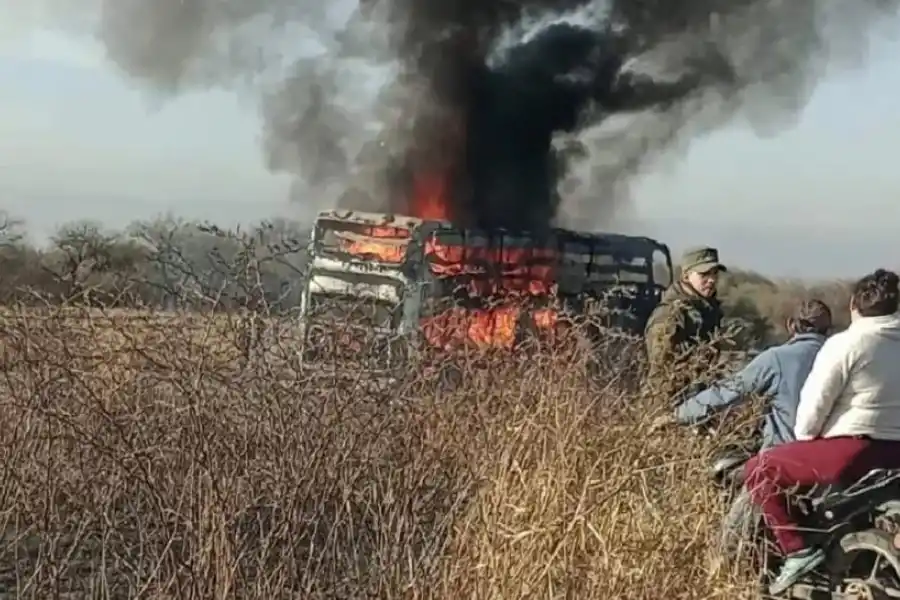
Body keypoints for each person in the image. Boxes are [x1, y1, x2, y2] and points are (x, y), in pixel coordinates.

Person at [743, 269, 900, 595]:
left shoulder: (846, 343)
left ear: (854, 305)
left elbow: (810, 415)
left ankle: (797, 551)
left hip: (855, 451)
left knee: (760, 468)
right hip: (894, 455)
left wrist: (805, 440)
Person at [654, 299, 832, 449]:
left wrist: (678, 415)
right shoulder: (840, 358)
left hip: (785, 458)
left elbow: (727, 392)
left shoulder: (776, 359)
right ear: (828, 330)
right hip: (833, 459)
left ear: (790, 325)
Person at [644, 246, 726, 402]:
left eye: (715, 273)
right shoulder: (669, 315)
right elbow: (661, 373)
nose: (712, 280)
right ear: (686, 275)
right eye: (704, 274)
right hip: (672, 402)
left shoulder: (708, 310)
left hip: (700, 397)